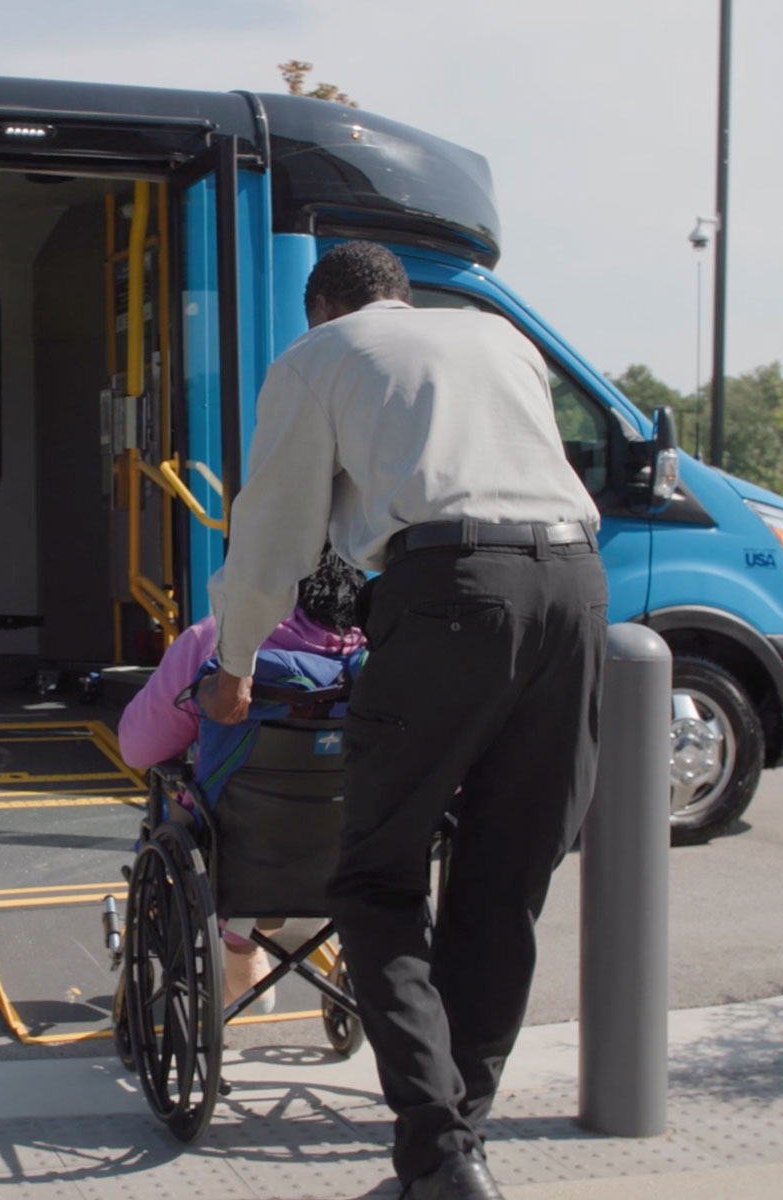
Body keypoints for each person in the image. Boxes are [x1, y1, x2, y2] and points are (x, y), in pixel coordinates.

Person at [199, 242, 604, 1200]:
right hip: (579, 590)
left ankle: (440, 1151)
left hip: (451, 595)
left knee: (377, 879)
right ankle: (459, 1145)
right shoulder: (498, 338)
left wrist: (235, 661)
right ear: (402, 296)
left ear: (323, 305)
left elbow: (275, 531)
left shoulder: (321, 354)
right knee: (505, 882)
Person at [118, 547, 366, 1013]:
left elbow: (138, 749)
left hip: (237, 850)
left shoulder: (218, 640)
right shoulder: (384, 650)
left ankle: (238, 945)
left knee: (194, 805)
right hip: (356, 846)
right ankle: (263, 947)